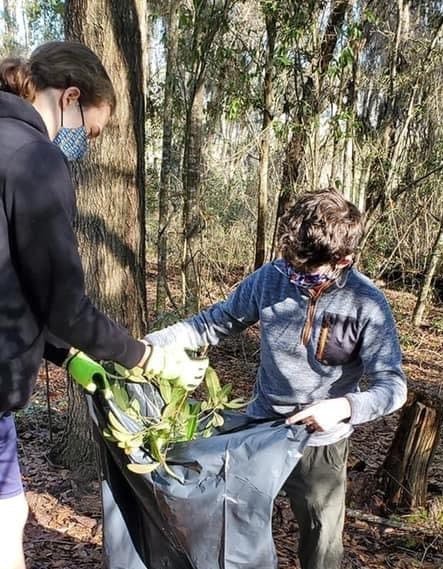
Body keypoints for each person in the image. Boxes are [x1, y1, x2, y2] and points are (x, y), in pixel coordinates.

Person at [0, 41, 205, 569]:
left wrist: (67, 356)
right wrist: (144, 357)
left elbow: (15, 286)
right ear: (70, 97)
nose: (83, 145)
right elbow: (64, 303)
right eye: (90, 130)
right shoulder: (34, 157)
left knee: (9, 514)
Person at [143, 189, 407, 569]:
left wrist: (344, 407)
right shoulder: (271, 278)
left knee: (321, 545)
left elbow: (393, 386)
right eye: (290, 262)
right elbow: (212, 323)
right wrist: (144, 347)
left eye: (305, 269)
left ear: (343, 260)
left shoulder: (367, 304)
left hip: (320, 445)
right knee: (231, 527)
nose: (293, 274)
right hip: (259, 429)